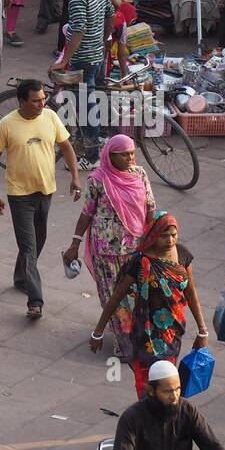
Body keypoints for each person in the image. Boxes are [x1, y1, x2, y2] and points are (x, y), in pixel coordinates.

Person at [0, 79, 81, 320]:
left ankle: (21, 278)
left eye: (43, 99)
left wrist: (75, 178)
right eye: (36, 100)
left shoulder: (50, 117)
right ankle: (35, 301)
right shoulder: (7, 124)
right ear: (22, 101)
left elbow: (67, 146)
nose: (42, 103)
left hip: (45, 190)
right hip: (19, 195)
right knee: (28, 247)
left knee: (38, 241)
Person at [91, 212, 210, 396]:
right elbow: (116, 297)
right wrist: (98, 332)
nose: (170, 240)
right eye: (164, 235)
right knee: (146, 383)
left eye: (173, 234)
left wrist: (202, 330)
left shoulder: (183, 255)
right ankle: (147, 413)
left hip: (172, 332)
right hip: (145, 333)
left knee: (166, 380)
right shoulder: (140, 262)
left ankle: (161, 413)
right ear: (154, 235)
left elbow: (191, 293)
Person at [62, 136, 155, 359]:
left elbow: (150, 206)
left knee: (135, 296)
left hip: (135, 247)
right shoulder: (98, 180)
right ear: (109, 156)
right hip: (106, 251)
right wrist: (75, 243)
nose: (130, 158)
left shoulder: (139, 174)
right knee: (113, 296)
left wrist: (152, 238)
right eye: (124, 154)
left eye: (132, 153)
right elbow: (86, 213)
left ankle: (136, 337)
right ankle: (122, 345)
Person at [55, 0, 114, 165]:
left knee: (87, 105)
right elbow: (111, 13)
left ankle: (92, 156)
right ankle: (88, 139)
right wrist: (104, 39)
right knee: (89, 99)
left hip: (83, 59)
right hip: (97, 54)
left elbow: (78, 30)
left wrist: (64, 60)